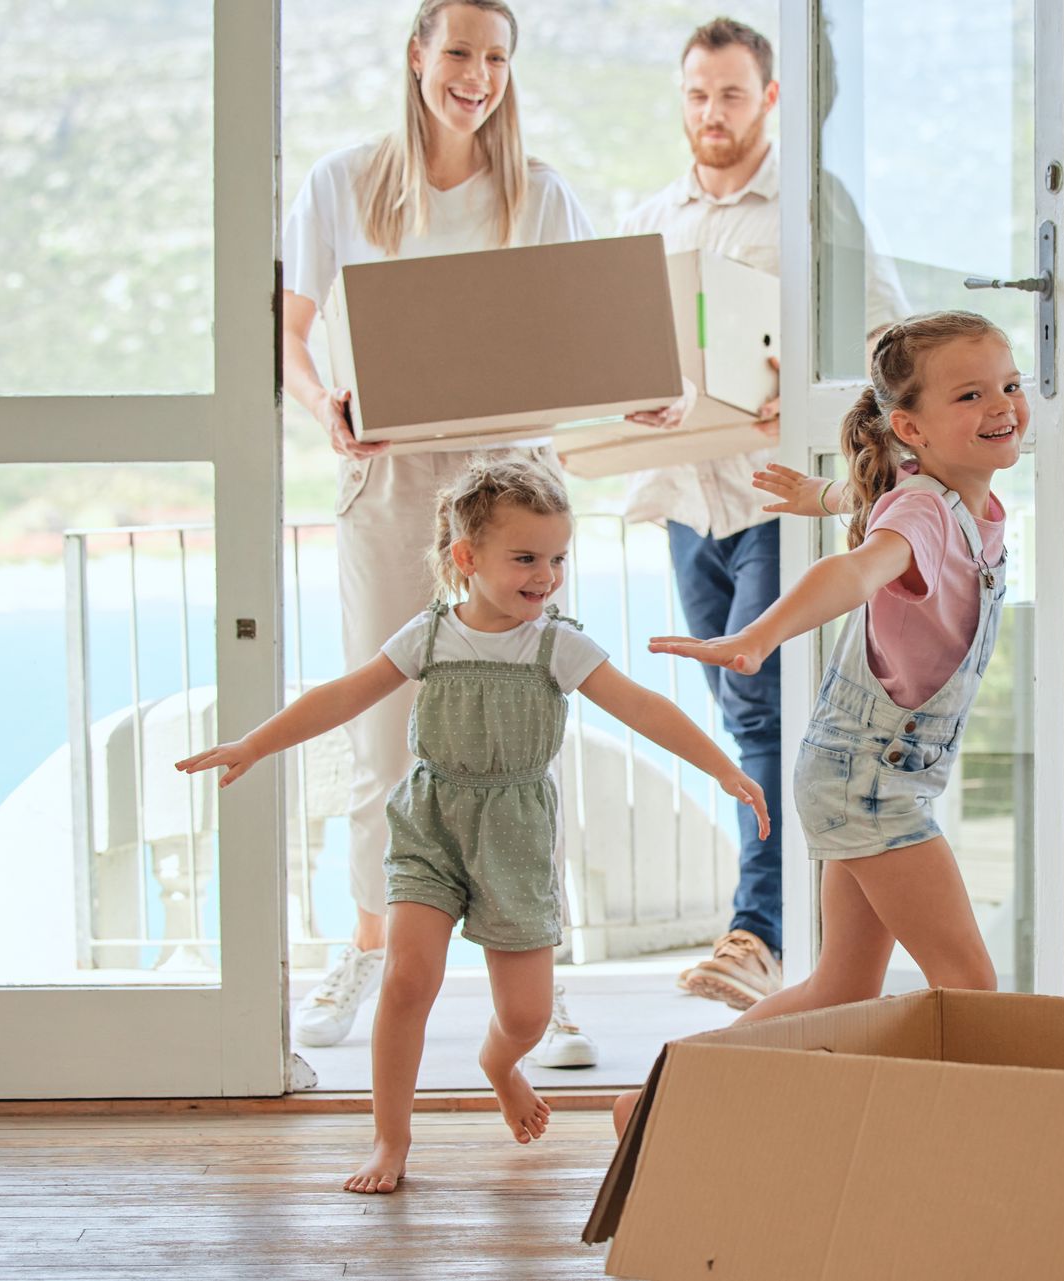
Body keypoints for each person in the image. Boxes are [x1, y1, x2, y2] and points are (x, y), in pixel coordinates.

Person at [180, 457, 769, 1191]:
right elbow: (342, 695)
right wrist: (254, 743)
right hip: (431, 820)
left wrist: (722, 766)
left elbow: (645, 707)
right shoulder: (428, 637)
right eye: (525, 557)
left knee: (523, 1014)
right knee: (406, 978)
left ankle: (499, 1062)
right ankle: (390, 1140)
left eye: (557, 557)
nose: (545, 574)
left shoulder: (557, 643)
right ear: (467, 557)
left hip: (516, 834)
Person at [281, 0, 596, 1064]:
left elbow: (586, 335)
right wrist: (322, 402)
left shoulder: (540, 192)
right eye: (459, 52)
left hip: (511, 484)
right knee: (383, 730)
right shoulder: (342, 181)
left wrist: (638, 387)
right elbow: (290, 327)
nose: (477, 75)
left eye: (496, 57)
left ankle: (543, 986)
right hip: (392, 475)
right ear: (417, 56)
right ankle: (369, 950)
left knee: (527, 732)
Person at [617, 311, 1011, 1136]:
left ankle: (654, 1102)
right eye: (970, 394)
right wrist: (759, 634)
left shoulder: (960, 498)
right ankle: (986, 1147)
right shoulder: (928, 514)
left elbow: (876, 505)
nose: (1002, 405)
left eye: (1007, 386)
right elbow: (861, 564)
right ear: (910, 428)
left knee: (840, 986)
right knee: (970, 985)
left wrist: (824, 496)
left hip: (857, 773)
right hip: (870, 784)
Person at [618, 17, 907, 1011]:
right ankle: (778, 936)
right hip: (686, 498)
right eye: (698, 94)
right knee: (744, 713)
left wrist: (813, 389)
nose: (713, 113)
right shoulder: (654, 217)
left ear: (770, 100)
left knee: (767, 711)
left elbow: (887, 340)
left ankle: (759, 934)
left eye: (732, 95)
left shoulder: (813, 208)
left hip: (772, 497)